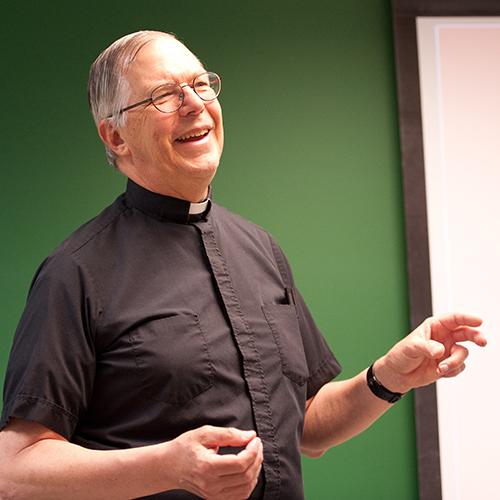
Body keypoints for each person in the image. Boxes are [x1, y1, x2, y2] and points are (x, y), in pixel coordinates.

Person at [0, 30, 486, 500]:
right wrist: (167, 467)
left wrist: (388, 377)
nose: (195, 103)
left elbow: (307, 427)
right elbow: (16, 470)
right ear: (116, 136)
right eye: (165, 95)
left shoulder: (261, 248)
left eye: (200, 84)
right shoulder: (75, 272)